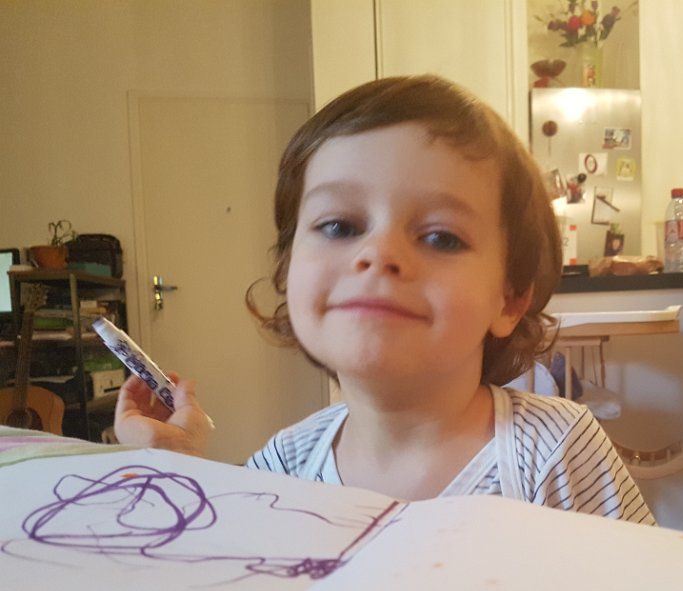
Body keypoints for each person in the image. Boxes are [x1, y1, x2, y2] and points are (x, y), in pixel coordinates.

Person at [114, 74, 655, 525]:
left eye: (441, 237)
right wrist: (180, 467)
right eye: (340, 226)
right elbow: (233, 583)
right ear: (288, 271)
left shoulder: (551, 450)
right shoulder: (284, 465)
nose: (378, 254)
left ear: (509, 299)